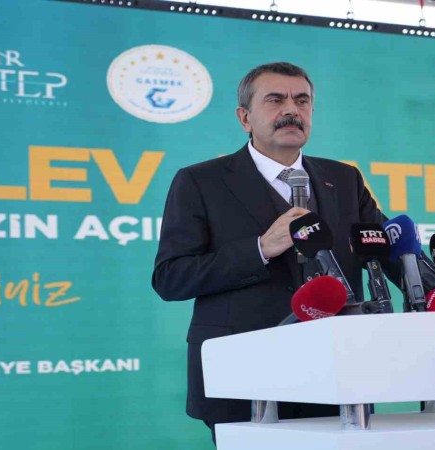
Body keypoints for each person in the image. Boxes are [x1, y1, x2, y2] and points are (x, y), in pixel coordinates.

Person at [151, 62, 388, 443]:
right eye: (275, 100)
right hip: (244, 374)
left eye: (302, 101)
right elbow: (172, 277)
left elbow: (384, 247)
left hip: (337, 370)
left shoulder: (344, 178)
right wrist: (261, 248)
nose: (291, 110)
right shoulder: (200, 181)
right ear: (244, 118)